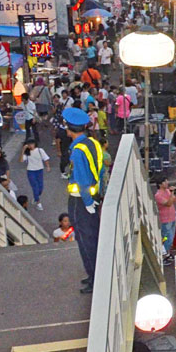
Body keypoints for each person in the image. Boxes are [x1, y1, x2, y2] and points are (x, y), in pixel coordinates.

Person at [64, 107, 103, 294]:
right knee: (93, 238)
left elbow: (81, 180)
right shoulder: (93, 143)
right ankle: (94, 275)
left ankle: (94, 278)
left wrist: (87, 202)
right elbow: (100, 171)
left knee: (85, 240)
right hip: (94, 197)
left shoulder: (77, 151)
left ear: (69, 129)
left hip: (80, 201)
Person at [20, 142, 50, 211]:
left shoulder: (40, 150)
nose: (31, 146)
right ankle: (38, 202)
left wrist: (48, 166)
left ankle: (36, 196)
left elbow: (45, 158)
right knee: (35, 186)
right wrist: (23, 150)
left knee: (40, 187)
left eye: (32, 144)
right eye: (29, 144)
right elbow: (21, 160)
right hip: (30, 171)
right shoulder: (27, 153)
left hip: (39, 170)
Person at [154, 179, 176, 257]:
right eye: (164, 181)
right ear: (160, 184)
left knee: (169, 237)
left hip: (172, 218)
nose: (167, 183)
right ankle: (163, 254)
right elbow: (168, 204)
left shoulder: (167, 191)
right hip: (165, 220)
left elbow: (175, 201)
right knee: (168, 238)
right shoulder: (158, 195)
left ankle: (166, 252)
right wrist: (171, 194)